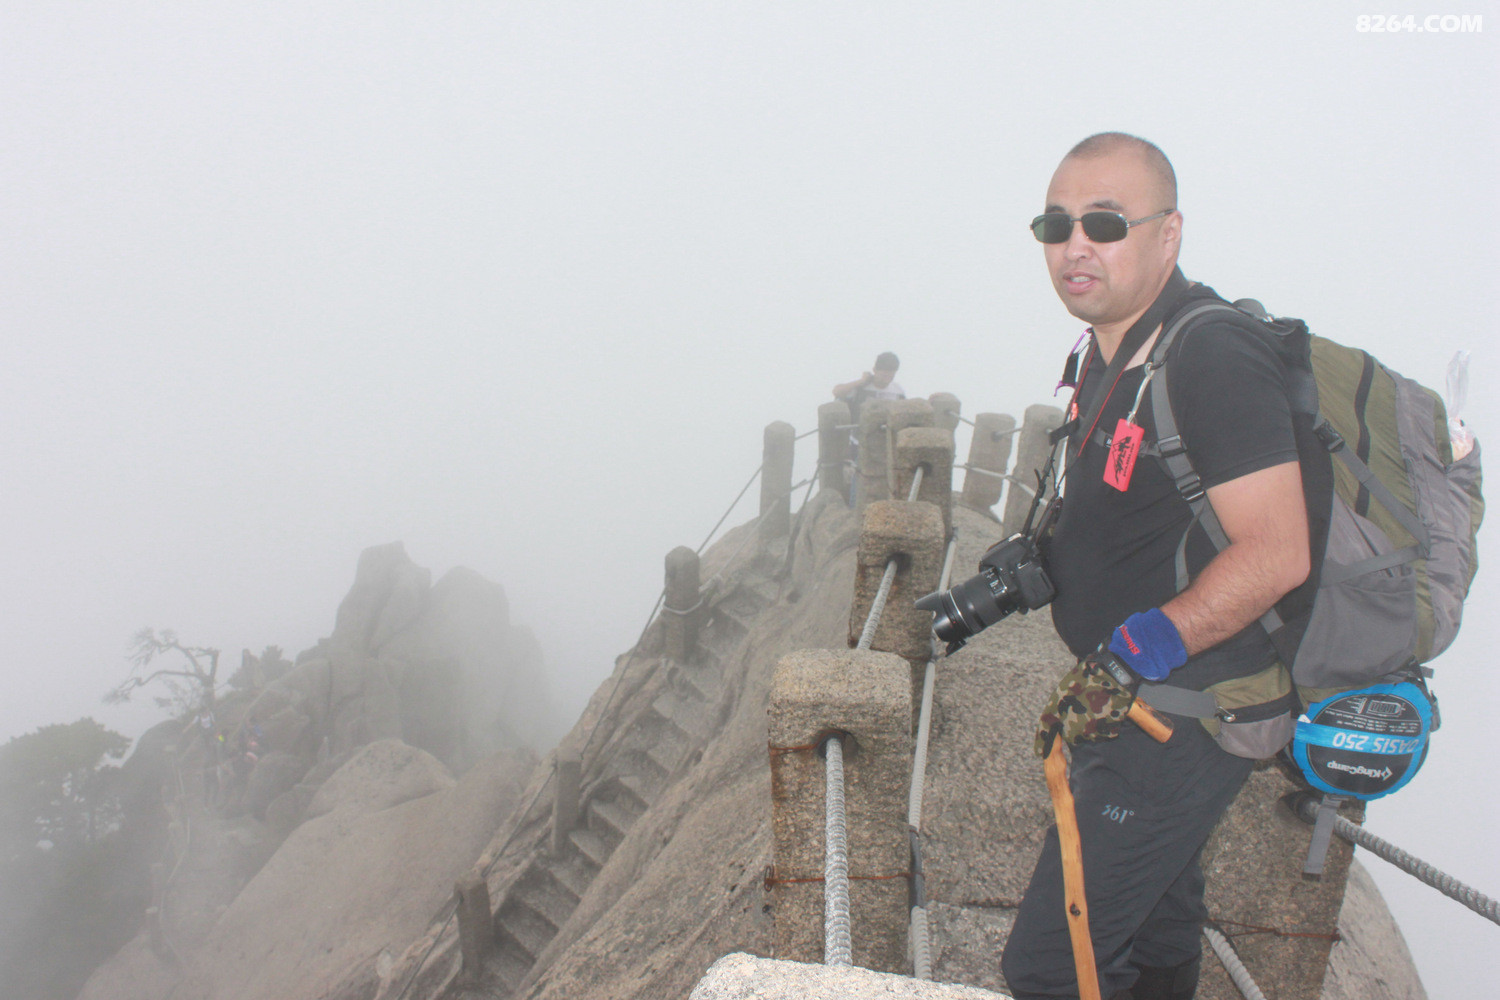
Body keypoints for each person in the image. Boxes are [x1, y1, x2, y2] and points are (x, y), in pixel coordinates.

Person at [999, 133, 1310, 1000]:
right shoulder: (1109, 351)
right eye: (1056, 225)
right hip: (1138, 701)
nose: (1075, 246)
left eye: (1104, 223)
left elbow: (1278, 552)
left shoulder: (1210, 353)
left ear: (1168, 234)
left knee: (1052, 969)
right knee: (1157, 927)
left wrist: (1135, 653)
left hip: (1184, 709)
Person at [832, 352, 906, 503]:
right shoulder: (861, 387)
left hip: (886, 443)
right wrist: (861, 381)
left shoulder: (897, 390)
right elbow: (837, 391)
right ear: (875, 370)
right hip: (859, 441)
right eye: (884, 372)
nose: (887, 376)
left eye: (891, 372)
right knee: (860, 475)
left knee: (885, 476)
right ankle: (855, 508)